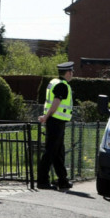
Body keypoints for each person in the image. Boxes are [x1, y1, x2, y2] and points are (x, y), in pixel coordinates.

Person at [37, 61, 74, 190]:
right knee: (51, 151)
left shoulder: (54, 82)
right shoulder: (62, 85)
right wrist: (46, 118)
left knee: (58, 152)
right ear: (68, 73)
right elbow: (56, 102)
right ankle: (42, 181)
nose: (72, 74)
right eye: (72, 72)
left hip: (56, 122)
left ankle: (62, 180)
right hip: (55, 122)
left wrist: (46, 117)